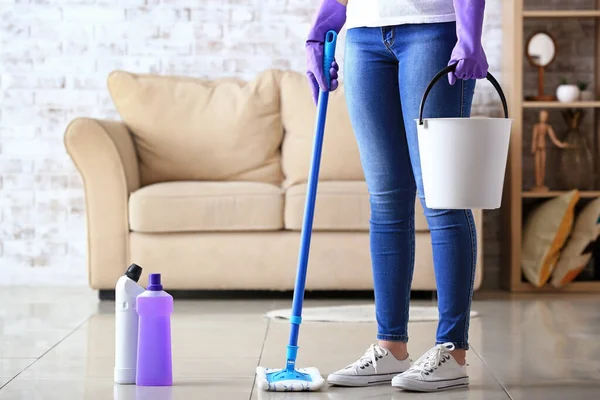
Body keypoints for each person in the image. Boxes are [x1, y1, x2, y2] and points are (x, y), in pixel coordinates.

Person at [305, 0, 488, 393]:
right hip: (362, 37)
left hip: (433, 29)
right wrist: (321, 28)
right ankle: (391, 347)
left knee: (442, 198)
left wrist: (469, 34)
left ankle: (453, 351)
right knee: (386, 201)